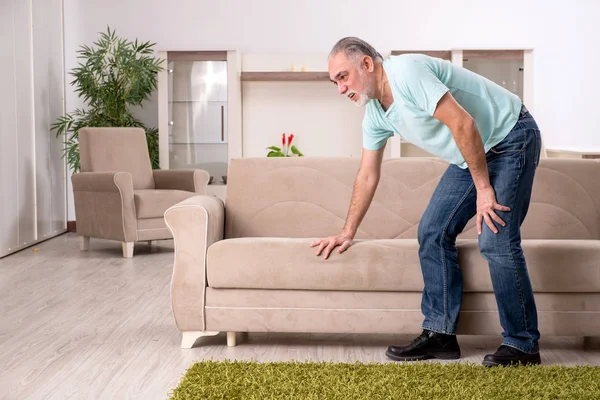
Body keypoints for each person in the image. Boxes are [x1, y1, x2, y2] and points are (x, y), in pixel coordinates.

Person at [311, 37, 542, 367]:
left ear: (366, 64)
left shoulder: (406, 72)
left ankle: (522, 345)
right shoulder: (376, 114)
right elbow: (367, 175)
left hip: (510, 134)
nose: (340, 89)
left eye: (343, 77)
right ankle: (440, 335)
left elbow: (462, 122)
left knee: (495, 239)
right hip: (472, 151)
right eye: (335, 82)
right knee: (432, 231)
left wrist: (484, 189)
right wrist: (347, 231)